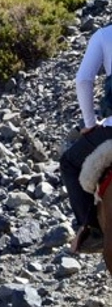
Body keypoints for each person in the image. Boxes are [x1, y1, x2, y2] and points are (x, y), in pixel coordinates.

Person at [60, 23, 112, 253]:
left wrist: (90, 124)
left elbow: (83, 80)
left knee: (69, 163)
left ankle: (92, 230)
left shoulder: (104, 35)